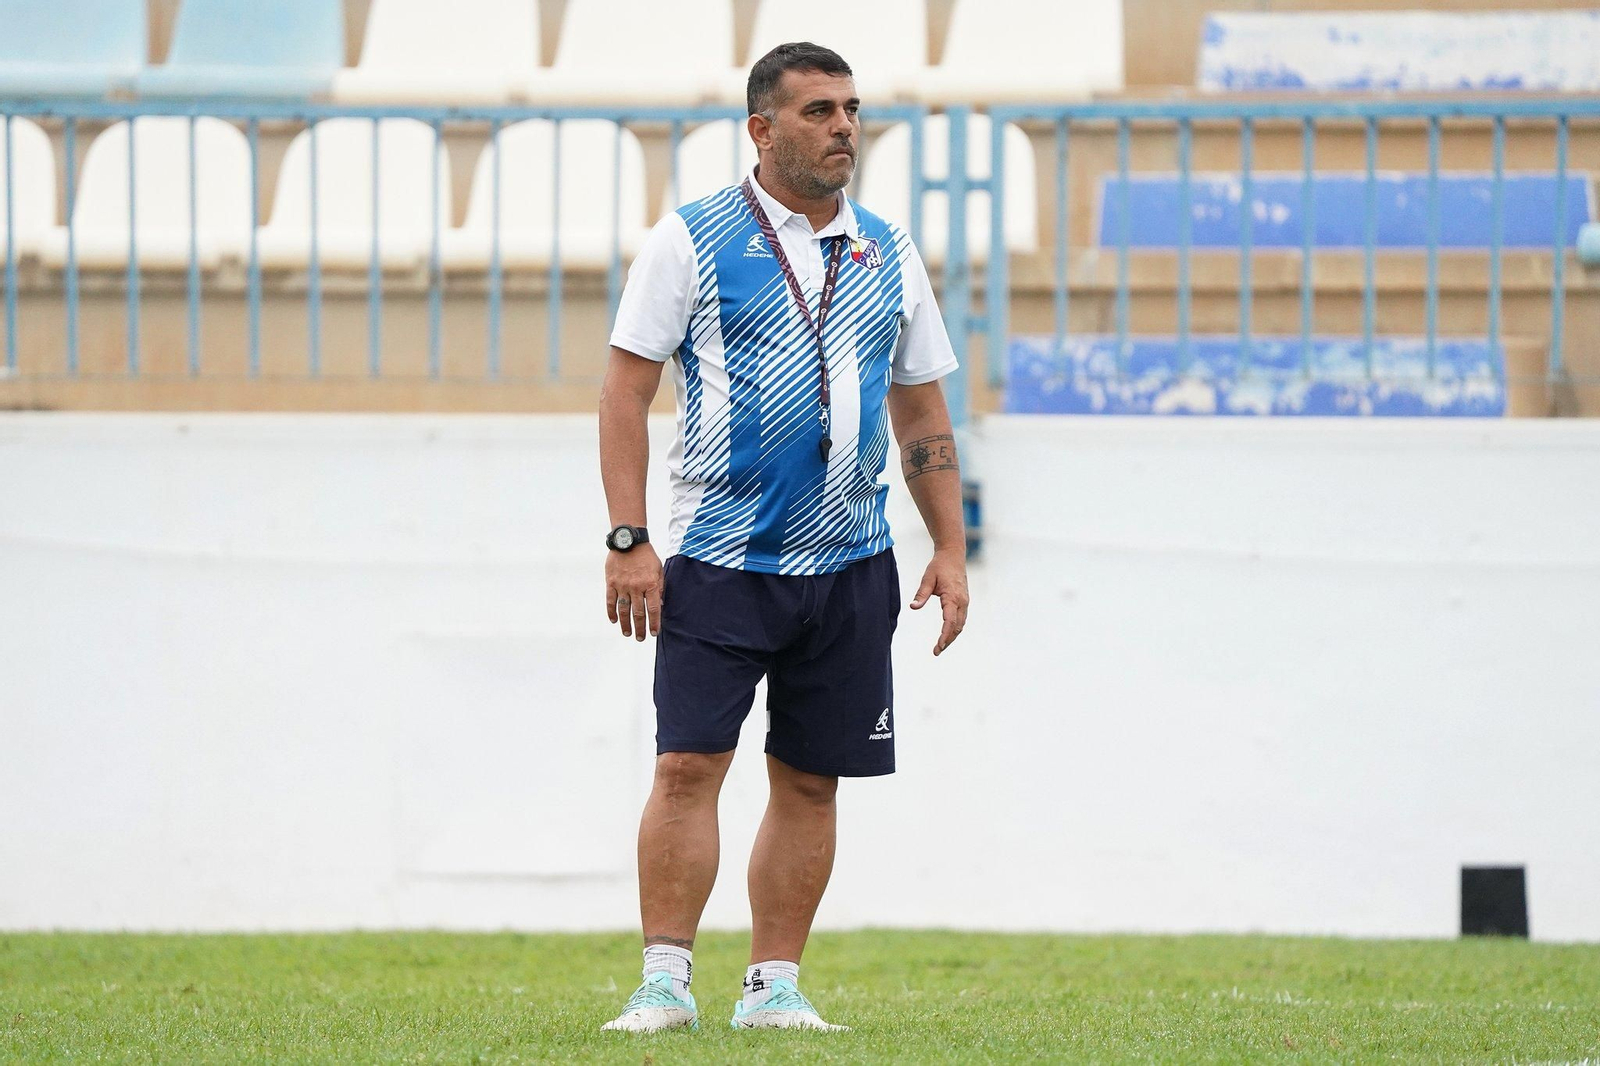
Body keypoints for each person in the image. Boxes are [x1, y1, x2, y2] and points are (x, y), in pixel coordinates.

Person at [596, 41, 969, 1034]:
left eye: (850, 109)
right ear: (762, 129)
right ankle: (664, 982)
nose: (843, 126)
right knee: (687, 767)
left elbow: (921, 409)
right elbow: (626, 391)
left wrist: (950, 546)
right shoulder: (691, 240)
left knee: (811, 776)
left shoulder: (887, 249)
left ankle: (774, 987)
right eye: (818, 111)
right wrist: (629, 536)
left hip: (851, 564)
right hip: (721, 560)